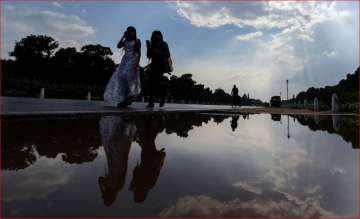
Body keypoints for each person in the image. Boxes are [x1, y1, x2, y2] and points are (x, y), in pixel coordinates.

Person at [103, 26, 141, 107]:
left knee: (128, 76)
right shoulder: (126, 40)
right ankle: (125, 99)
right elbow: (118, 46)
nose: (131, 32)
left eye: (132, 31)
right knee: (121, 78)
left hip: (133, 59)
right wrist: (123, 36)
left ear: (135, 32)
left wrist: (137, 63)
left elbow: (139, 53)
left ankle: (130, 95)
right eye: (129, 31)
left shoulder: (137, 41)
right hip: (125, 60)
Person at [146, 30, 171, 108]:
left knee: (157, 83)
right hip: (153, 65)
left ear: (160, 36)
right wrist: (148, 47)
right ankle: (151, 102)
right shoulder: (152, 44)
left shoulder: (164, 44)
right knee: (152, 84)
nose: (156, 36)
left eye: (158, 35)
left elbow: (168, 54)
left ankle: (162, 97)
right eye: (155, 35)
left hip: (161, 66)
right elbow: (148, 56)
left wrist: (158, 52)